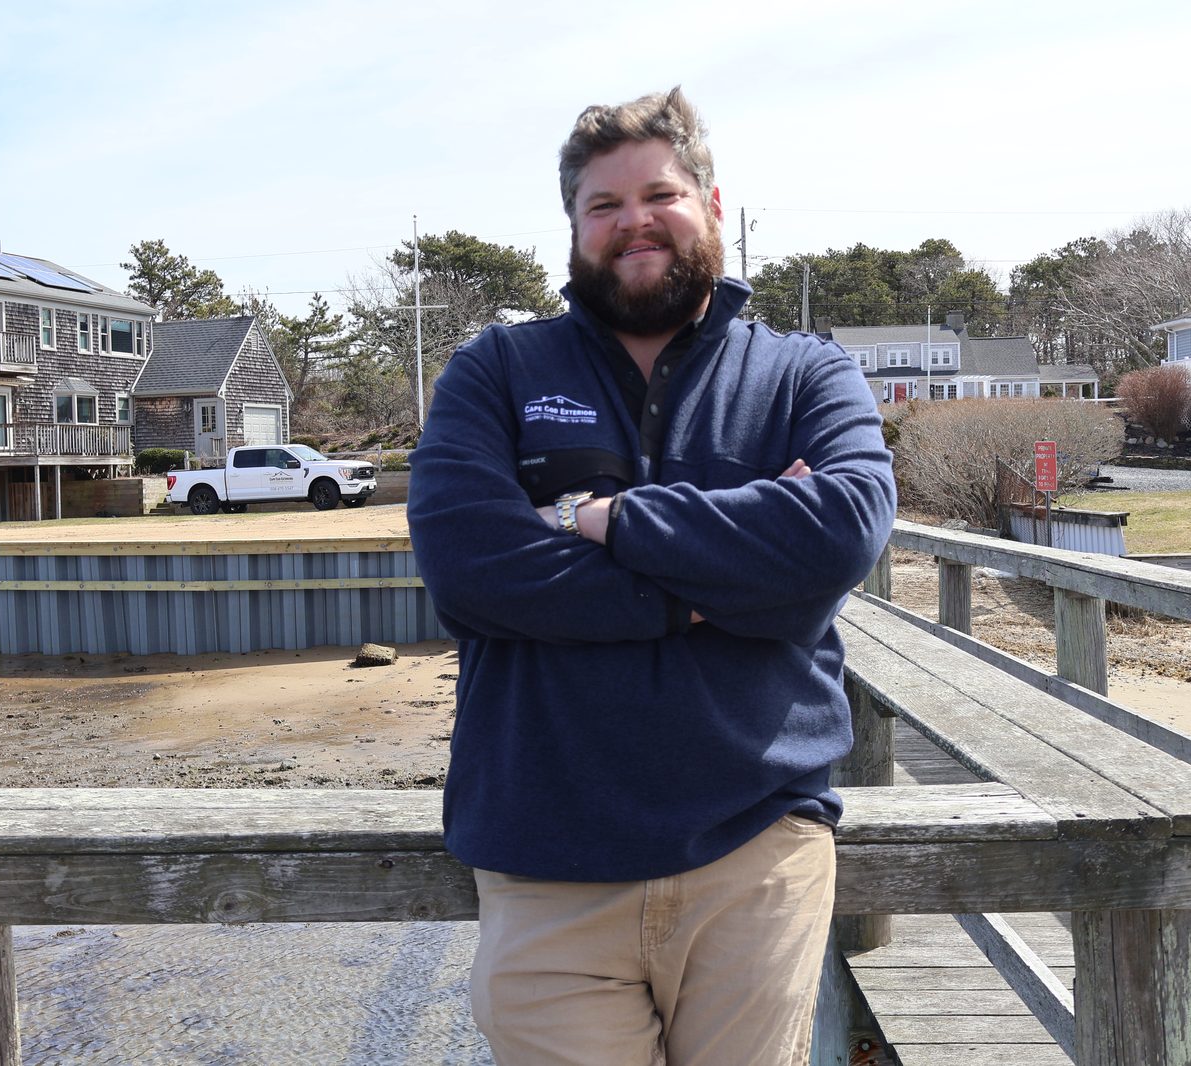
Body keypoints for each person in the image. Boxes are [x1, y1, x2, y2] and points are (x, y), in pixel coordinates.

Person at [407, 87, 897, 1066]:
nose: (633, 220)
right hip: (547, 861)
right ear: (574, 230)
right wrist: (725, 581)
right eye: (602, 205)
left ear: (712, 208)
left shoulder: (806, 374)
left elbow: (840, 532)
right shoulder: (493, 371)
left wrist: (607, 521)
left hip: (756, 852)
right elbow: (472, 570)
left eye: (659, 194)